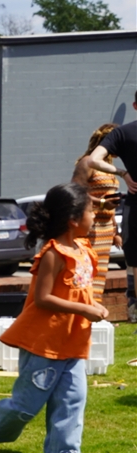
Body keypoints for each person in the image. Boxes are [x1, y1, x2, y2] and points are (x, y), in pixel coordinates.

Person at [0, 183, 108, 453]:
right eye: (90, 210)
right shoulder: (53, 254)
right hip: (44, 344)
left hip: (73, 342)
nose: (94, 215)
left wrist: (94, 304)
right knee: (26, 406)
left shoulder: (83, 249)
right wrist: (85, 309)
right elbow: (43, 299)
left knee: (72, 402)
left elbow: (78, 291)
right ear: (73, 219)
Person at [79, 89, 137, 322]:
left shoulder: (123, 134)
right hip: (97, 226)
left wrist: (124, 173)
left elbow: (94, 160)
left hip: (129, 209)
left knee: (133, 265)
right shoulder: (122, 133)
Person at [71, 123, 123, 301]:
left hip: (106, 229)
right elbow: (76, 192)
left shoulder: (108, 168)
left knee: (100, 273)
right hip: (90, 227)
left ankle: (94, 307)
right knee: (87, 270)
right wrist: (101, 203)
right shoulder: (87, 162)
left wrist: (115, 231)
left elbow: (109, 201)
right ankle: (83, 306)